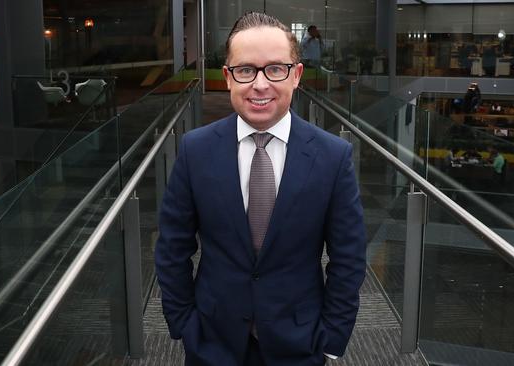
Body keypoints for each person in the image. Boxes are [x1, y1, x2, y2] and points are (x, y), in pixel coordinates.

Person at [155, 12, 366, 366]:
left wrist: (332, 337)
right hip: (211, 339)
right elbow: (172, 247)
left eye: (275, 69)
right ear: (228, 78)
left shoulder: (333, 157)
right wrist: (183, 324)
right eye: (246, 70)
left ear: (296, 75)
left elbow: (349, 258)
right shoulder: (196, 149)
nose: (260, 84)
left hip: (301, 343)